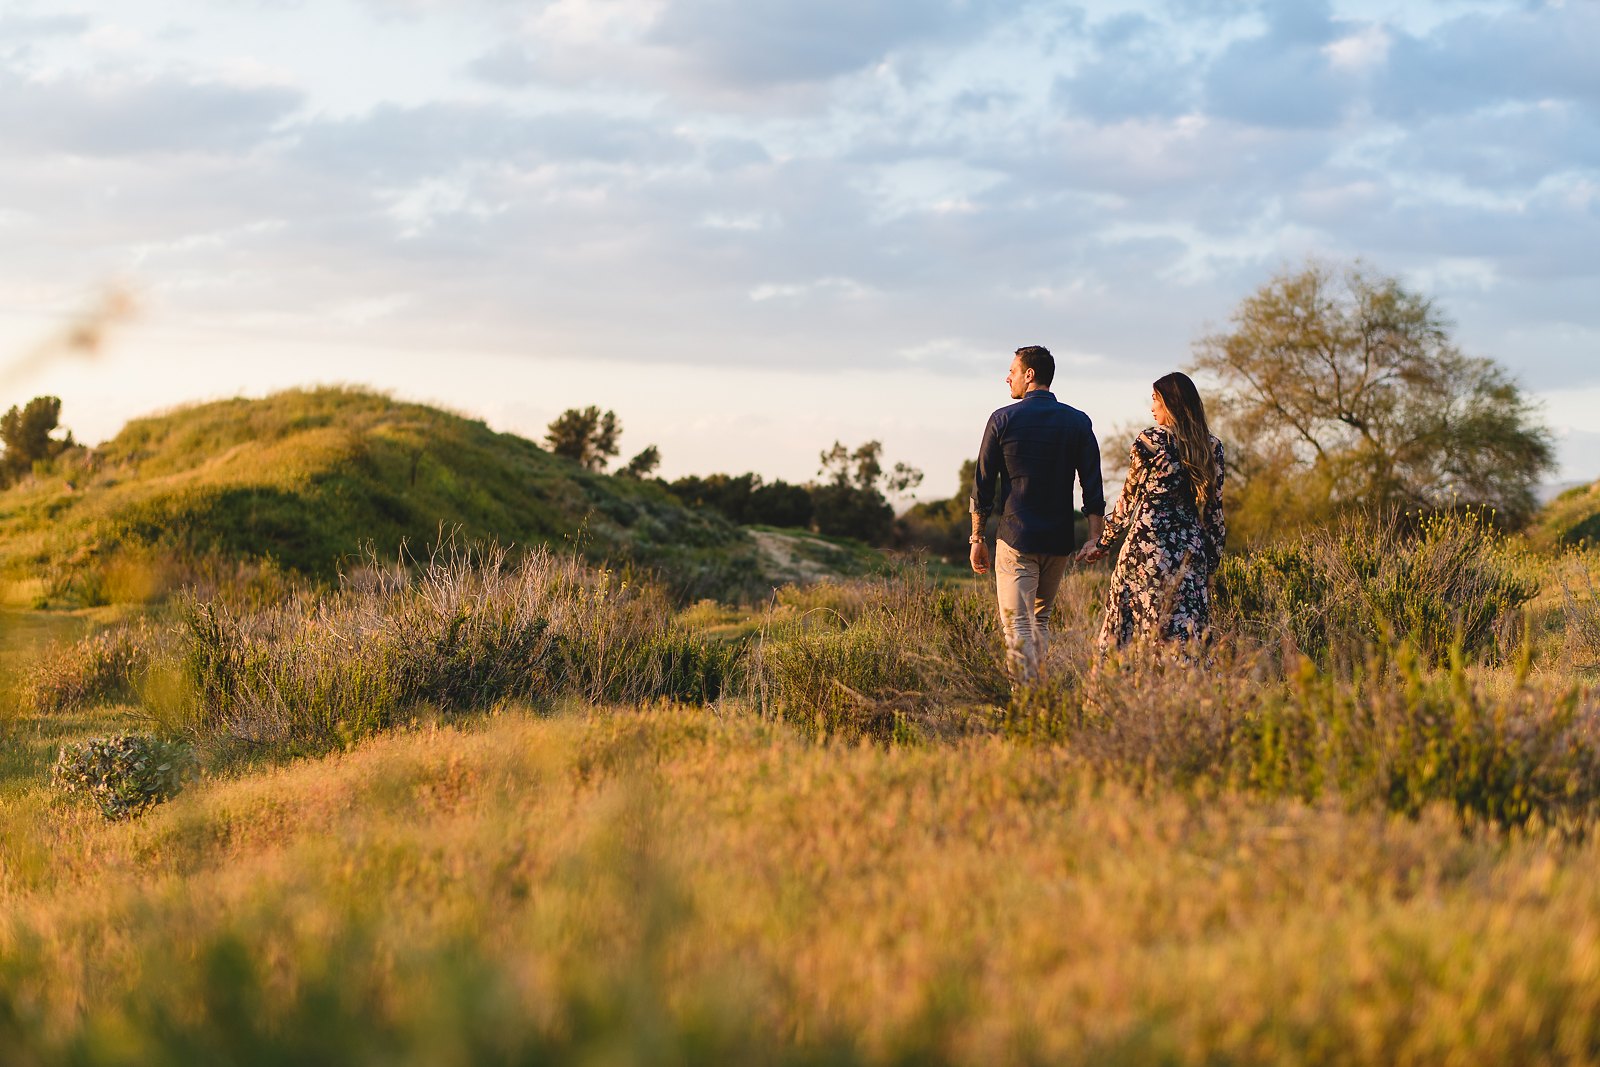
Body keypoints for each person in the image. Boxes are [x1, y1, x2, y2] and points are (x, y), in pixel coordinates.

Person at [970, 345, 1105, 683]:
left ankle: (1027, 707)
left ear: (1029, 375)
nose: (1007, 377)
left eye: (1012, 371)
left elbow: (982, 486)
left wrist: (977, 537)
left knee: (1018, 625)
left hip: (1017, 538)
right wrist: (1094, 537)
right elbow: (1092, 485)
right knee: (1039, 623)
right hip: (1058, 541)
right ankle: (1038, 701)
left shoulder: (1003, 419)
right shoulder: (1078, 421)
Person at [1076, 371, 1225, 651]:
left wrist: (1102, 542)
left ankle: (1126, 692)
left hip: (1147, 552)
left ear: (1170, 403)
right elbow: (1214, 514)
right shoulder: (1212, 446)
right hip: (1189, 556)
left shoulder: (1150, 441)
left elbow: (1127, 501)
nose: (1152, 407)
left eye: (1155, 399)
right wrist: (1210, 563)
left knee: (1132, 635)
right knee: (1183, 639)